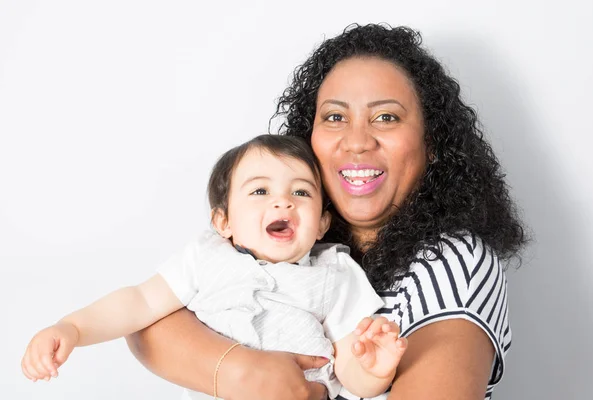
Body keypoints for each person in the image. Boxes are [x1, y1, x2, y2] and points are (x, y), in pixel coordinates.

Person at [126, 24, 527, 400]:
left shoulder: (453, 260)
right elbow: (148, 320)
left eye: (385, 117)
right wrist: (244, 371)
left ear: (433, 143)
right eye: (335, 117)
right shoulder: (291, 237)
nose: (356, 142)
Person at [21, 135, 408, 399]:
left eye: (301, 192)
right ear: (223, 223)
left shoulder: (334, 275)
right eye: (260, 191)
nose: (283, 203)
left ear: (322, 223)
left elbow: (348, 371)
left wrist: (375, 370)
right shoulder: (205, 259)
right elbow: (138, 302)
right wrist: (72, 328)